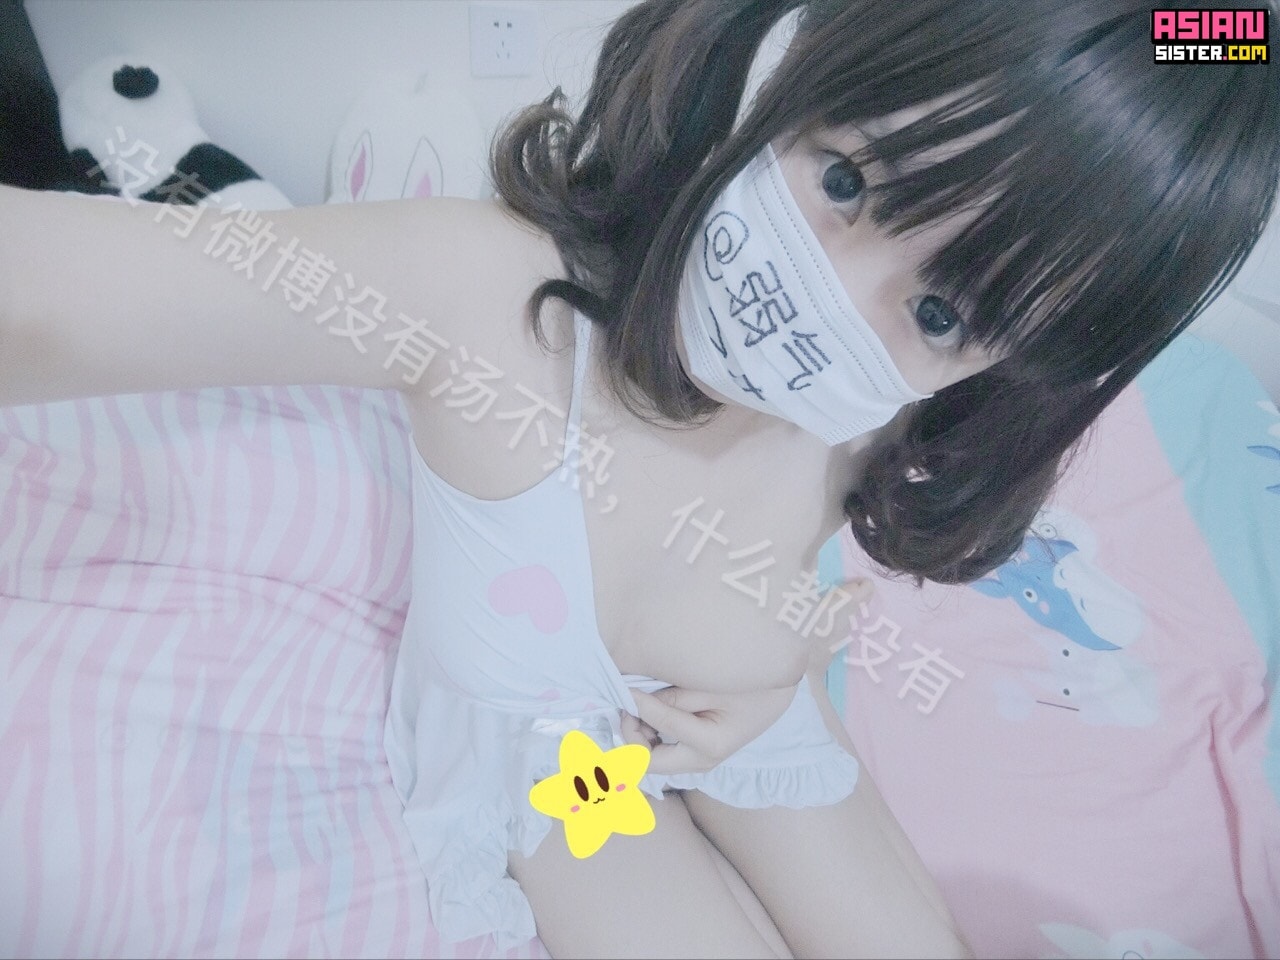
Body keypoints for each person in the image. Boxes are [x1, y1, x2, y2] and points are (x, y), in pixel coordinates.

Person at [1, 0, 1277, 956]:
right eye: (845, 181)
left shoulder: (873, 424)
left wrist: (789, 651)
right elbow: (47, 294)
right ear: (786, 74)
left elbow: (1224, 44)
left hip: (729, 726)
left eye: (942, 312)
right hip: (545, 771)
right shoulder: (490, 297)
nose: (835, 299)